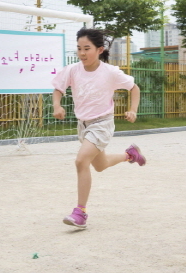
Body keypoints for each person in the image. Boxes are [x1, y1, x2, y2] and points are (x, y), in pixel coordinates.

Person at [51, 28, 145, 229]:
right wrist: (57, 106)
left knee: (81, 160)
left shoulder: (109, 72)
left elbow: (134, 88)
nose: (82, 53)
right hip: (83, 125)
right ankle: (130, 155)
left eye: (87, 48)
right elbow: (58, 88)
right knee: (100, 165)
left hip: (101, 123)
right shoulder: (73, 70)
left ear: (100, 49)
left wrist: (133, 110)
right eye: (79, 49)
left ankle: (80, 213)